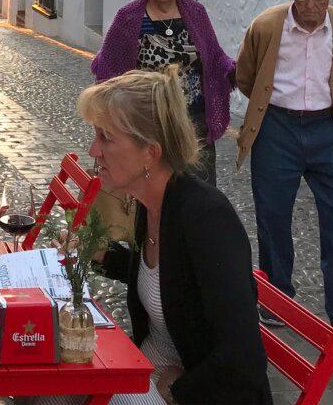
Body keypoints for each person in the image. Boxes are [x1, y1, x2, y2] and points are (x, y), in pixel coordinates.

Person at [80, 68, 271, 405]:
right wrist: (103, 256)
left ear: (150, 154)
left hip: (196, 392)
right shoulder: (151, 203)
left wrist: (178, 391)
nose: (94, 150)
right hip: (148, 367)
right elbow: (171, 280)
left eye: (106, 137)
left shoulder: (206, 218)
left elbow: (243, 357)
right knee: (46, 385)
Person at [236, 0, 333, 347]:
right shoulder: (266, 26)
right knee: (272, 217)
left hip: (330, 128)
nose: (311, 5)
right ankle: (277, 301)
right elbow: (246, 76)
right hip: (276, 127)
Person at [92, 0, 234, 185]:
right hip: (148, 124)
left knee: (197, 190)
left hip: (193, 123)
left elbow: (215, 57)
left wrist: (239, 70)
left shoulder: (196, 13)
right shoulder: (128, 18)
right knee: (152, 187)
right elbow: (107, 71)